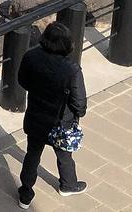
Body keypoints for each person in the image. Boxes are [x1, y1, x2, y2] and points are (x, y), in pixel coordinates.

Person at [17, 22, 88, 207]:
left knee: (32, 154)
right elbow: (80, 104)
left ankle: (25, 194)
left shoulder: (31, 56)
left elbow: (22, 81)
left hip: (36, 116)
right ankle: (68, 185)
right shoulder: (72, 69)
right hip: (61, 121)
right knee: (64, 155)